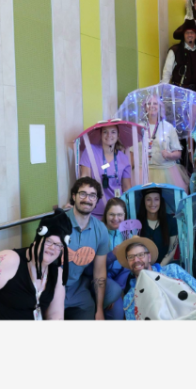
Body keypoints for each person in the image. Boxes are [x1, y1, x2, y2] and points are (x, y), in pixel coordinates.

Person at [0, 209, 71, 320]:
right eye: (48, 241)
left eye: (59, 245)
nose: (52, 248)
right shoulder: (11, 260)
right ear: (37, 239)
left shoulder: (57, 274)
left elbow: (55, 315)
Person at [115, 236, 196, 320]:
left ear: (149, 256)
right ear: (128, 262)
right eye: (131, 257)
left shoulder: (173, 271)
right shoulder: (129, 298)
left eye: (140, 255)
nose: (136, 260)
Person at [64, 177, 122, 320]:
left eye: (92, 195)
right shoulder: (59, 222)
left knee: (111, 293)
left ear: (96, 200)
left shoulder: (100, 229)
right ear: (74, 196)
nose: (87, 199)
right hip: (53, 284)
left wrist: (99, 310)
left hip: (77, 287)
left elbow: (99, 271)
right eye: (82, 194)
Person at [78, 125, 132, 218]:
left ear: (118, 135)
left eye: (113, 132)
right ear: (100, 134)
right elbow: (84, 179)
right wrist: (77, 200)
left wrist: (130, 209)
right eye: (105, 132)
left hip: (116, 211)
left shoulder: (123, 158)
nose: (109, 135)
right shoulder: (90, 151)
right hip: (94, 209)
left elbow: (127, 187)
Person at [144, 94, 189, 190]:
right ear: (145, 107)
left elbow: (178, 153)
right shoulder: (139, 127)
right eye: (149, 103)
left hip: (165, 171)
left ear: (160, 107)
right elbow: (132, 153)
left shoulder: (168, 127)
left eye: (155, 103)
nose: (152, 106)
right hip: (144, 172)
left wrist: (169, 155)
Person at [161, 19, 196, 92]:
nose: (190, 35)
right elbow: (167, 72)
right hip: (178, 92)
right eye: (187, 33)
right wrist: (164, 91)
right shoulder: (175, 51)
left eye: (192, 33)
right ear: (183, 35)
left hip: (195, 93)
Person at [137, 187, 179, 266]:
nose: (153, 203)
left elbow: (171, 251)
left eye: (156, 199)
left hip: (164, 266)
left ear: (161, 201)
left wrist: (159, 268)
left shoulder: (171, 221)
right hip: (143, 266)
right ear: (143, 201)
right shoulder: (137, 222)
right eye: (148, 199)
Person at [103, 198, 131, 293]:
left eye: (119, 215)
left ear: (125, 215)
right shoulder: (99, 233)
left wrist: (119, 288)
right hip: (101, 278)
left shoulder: (128, 236)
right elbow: (94, 266)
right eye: (111, 214)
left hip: (121, 282)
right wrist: (112, 255)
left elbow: (127, 267)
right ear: (106, 214)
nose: (115, 218)